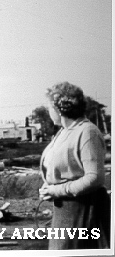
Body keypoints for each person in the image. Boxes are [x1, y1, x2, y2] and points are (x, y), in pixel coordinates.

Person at [39, 81, 110, 249]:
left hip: (83, 210)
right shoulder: (63, 132)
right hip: (64, 209)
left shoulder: (87, 132)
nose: (48, 111)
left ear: (59, 108)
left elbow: (95, 178)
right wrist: (48, 187)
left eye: (49, 106)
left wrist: (56, 190)